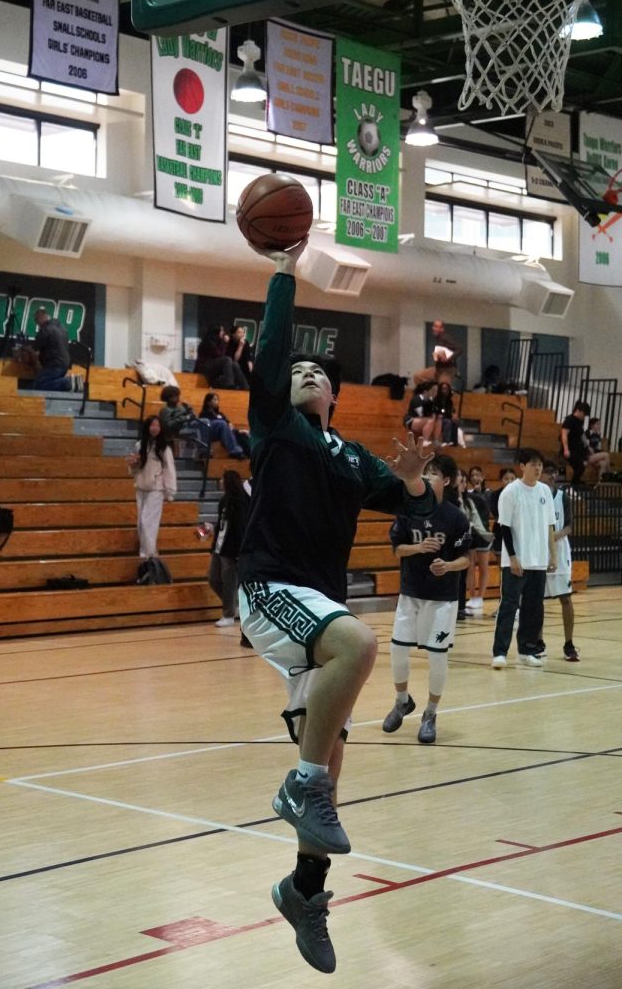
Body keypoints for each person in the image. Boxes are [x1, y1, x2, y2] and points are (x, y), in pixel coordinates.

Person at [237, 238, 436, 975]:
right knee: (357, 646)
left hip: (312, 601)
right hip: (268, 588)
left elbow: (404, 501)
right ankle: (301, 782)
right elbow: (271, 355)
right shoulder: (276, 430)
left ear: (334, 396)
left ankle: (304, 890)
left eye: (318, 370)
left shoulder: (353, 458)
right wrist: (285, 274)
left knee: (333, 767)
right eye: (296, 370)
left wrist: (415, 481)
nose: (307, 370)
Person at [382, 453, 471, 744]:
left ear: (446, 480)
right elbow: (396, 549)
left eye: (432, 473)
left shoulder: (456, 517)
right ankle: (402, 700)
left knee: (437, 656)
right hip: (410, 594)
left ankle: (431, 712)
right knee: (397, 650)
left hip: (442, 599)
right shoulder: (407, 511)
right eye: (424, 473)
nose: (426, 477)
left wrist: (446, 566)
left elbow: (466, 560)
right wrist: (419, 548)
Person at [491, 448, 556, 670]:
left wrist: (552, 554)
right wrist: (513, 557)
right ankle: (500, 652)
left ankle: (527, 650)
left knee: (534, 608)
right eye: (533, 464)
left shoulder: (545, 491)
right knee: (508, 606)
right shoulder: (510, 492)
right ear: (522, 466)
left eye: (540, 465)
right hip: (516, 562)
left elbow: (549, 525)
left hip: (538, 560)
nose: (538, 468)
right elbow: (505, 528)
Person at [540, 462, 580, 662]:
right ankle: (537, 642)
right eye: (547, 473)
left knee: (566, 597)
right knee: (536, 598)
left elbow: (569, 526)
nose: (551, 477)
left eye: (553, 473)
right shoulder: (535, 495)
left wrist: (554, 535)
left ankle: (569, 643)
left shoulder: (562, 497)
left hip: (559, 549)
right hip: (538, 550)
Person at [126, 415, 176, 558]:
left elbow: (169, 469)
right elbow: (134, 470)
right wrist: (133, 464)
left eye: (157, 425)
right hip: (141, 488)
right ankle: (149, 554)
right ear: (147, 427)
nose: (155, 428)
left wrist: (170, 491)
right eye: (152, 425)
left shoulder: (164, 448)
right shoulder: (139, 445)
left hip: (156, 489)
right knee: (141, 524)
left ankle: (148, 556)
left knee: (148, 523)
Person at [208, 469, 250, 626]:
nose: (219, 481)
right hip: (219, 547)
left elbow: (240, 527)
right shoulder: (223, 501)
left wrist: (240, 550)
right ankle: (235, 605)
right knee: (213, 579)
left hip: (231, 549)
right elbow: (221, 524)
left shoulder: (240, 502)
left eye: (222, 479)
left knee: (229, 582)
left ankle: (228, 615)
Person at [159, 386, 244, 457]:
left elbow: (193, 416)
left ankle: (235, 451)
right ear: (168, 397)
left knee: (221, 423)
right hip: (181, 429)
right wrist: (185, 418)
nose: (177, 398)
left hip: (191, 424)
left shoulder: (181, 407)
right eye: (175, 396)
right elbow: (168, 425)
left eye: (178, 395)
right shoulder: (166, 410)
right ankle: (204, 450)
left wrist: (189, 409)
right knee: (204, 420)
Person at [29, 308, 83, 394]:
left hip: (54, 365)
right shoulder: (62, 327)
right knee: (49, 383)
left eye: (37, 321)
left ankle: (67, 382)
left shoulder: (46, 329)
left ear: (41, 318)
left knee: (38, 385)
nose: (37, 324)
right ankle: (68, 382)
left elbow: (34, 348)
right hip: (64, 365)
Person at [464, 465, 494, 615]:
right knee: (470, 566)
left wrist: (479, 492)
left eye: (478, 475)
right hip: (471, 534)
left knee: (483, 567)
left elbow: (489, 509)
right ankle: (472, 596)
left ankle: (480, 597)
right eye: (473, 475)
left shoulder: (488, 493)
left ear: (482, 476)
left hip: (484, 534)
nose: (475, 477)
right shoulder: (467, 494)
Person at [194, 325, 248, 389]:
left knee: (234, 364)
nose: (223, 332)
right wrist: (225, 343)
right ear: (216, 332)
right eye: (221, 331)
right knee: (227, 360)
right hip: (204, 366)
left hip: (213, 365)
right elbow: (219, 355)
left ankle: (245, 386)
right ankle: (229, 383)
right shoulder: (208, 342)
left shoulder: (219, 342)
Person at [200, 391, 250, 456]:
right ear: (208, 402)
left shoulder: (220, 414)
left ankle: (248, 453)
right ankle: (235, 451)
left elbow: (228, 425)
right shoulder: (204, 414)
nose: (217, 402)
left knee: (240, 434)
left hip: (224, 433)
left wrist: (239, 430)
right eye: (214, 399)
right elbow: (205, 427)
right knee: (222, 424)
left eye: (217, 400)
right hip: (211, 432)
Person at [414, 319, 462, 387]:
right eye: (434, 326)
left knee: (444, 387)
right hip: (438, 369)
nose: (434, 328)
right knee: (417, 376)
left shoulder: (445, 337)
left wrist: (449, 358)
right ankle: (428, 394)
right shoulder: (438, 339)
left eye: (437, 326)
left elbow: (459, 349)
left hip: (447, 370)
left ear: (442, 329)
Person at [560, 400, 592, 485]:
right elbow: (564, 435)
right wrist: (566, 449)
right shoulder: (569, 420)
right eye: (584, 414)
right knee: (580, 466)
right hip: (570, 449)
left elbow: (582, 435)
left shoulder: (579, 422)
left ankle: (575, 484)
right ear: (579, 411)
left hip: (577, 449)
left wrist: (588, 446)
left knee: (581, 466)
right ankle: (574, 485)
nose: (584, 417)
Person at [402, 379, 440, 444]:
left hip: (423, 420)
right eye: (433, 390)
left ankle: (436, 441)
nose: (435, 392)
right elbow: (421, 414)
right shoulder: (417, 399)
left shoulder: (432, 400)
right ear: (426, 391)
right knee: (431, 421)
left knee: (439, 421)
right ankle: (424, 441)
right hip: (411, 420)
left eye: (436, 391)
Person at [432, 381, 465, 447]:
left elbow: (451, 410)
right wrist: (450, 415)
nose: (445, 390)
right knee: (448, 422)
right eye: (443, 389)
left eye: (446, 389)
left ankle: (454, 443)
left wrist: (453, 415)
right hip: (438, 419)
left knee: (455, 423)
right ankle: (446, 442)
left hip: (447, 417)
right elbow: (439, 411)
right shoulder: (436, 399)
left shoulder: (449, 400)